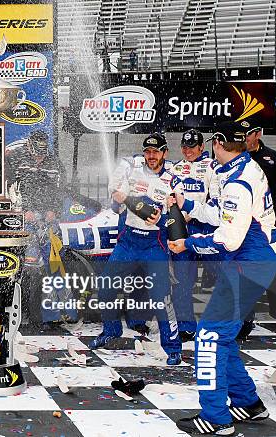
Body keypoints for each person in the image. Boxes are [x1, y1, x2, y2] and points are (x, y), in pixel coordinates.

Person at [171, 122, 276, 435]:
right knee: (221, 334)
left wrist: (188, 243)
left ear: (217, 143)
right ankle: (249, 403)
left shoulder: (237, 183)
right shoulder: (245, 168)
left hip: (247, 265)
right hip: (252, 264)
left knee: (209, 336)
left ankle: (216, 418)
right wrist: (187, 205)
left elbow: (228, 238)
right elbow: (222, 214)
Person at [89, 133, 182, 366]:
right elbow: (115, 196)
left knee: (162, 298)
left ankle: (172, 347)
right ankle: (111, 330)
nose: (152, 156)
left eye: (156, 151)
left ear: (164, 153)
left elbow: (180, 216)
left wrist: (162, 219)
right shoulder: (133, 171)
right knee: (106, 288)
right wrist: (129, 201)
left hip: (154, 245)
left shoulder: (172, 179)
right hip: (128, 242)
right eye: (148, 152)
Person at [6, 130, 71, 325]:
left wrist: (54, 211)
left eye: (43, 152)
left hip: (49, 221)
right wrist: (22, 210)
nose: (39, 157)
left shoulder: (55, 163)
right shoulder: (17, 160)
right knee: (28, 267)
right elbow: (8, 187)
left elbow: (61, 189)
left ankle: (56, 313)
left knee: (55, 265)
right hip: (25, 221)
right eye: (36, 152)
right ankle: (27, 310)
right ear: (28, 146)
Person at [168, 129, 219, 341]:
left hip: (207, 227)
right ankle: (187, 326)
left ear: (201, 148)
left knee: (224, 274)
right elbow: (170, 197)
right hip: (183, 229)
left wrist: (194, 212)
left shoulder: (212, 167)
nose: (188, 151)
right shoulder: (176, 168)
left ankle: (236, 321)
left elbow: (216, 199)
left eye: (192, 147)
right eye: (185, 147)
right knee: (181, 280)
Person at [242, 119, 276, 322]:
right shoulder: (236, 158)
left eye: (246, 135)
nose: (243, 139)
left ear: (257, 134)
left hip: (269, 222)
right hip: (243, 221)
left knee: (272, 264)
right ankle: (246, 315)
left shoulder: (273, 158)